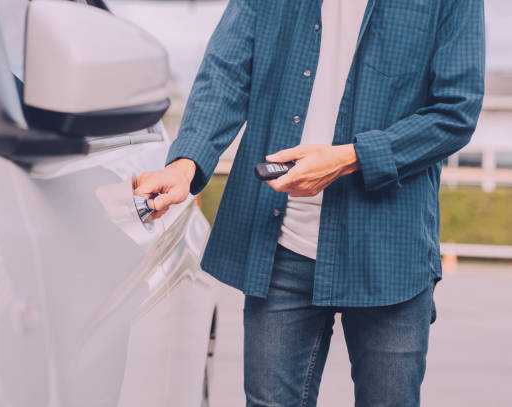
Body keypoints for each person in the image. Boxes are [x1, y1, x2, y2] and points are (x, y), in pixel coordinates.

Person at [134, 0, 485, 406]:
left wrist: (347, 158)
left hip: (390, 252)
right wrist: (184, 165)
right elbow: (226, 72)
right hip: (281, 243)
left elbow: (454, 111)